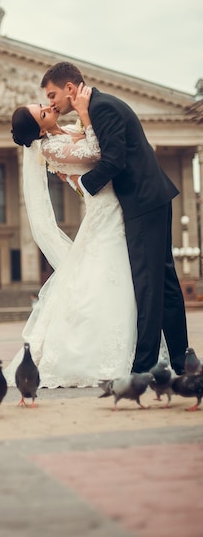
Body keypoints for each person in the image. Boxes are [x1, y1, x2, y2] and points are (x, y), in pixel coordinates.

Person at [40, 62, 188, 375]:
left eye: (53, 94)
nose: (51, 102)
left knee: (149, 285)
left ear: (70, 88)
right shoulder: (99, 107)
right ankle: (181, 360)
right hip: (150, 200)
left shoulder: (102, 109)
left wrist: (81, 184)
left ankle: (143, 366)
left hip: (142, 202)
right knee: (165, 285)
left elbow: (114, 161)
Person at [5, 86, 137, 388]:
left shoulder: (63, 133)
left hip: (107, 209)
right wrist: (86, 115)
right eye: (42, 112)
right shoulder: (50, 148)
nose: (49, 107)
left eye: (44, 104)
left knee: (100, 279)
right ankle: (95, 355)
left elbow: (82, 173)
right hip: (105, 211)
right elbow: (96, 154)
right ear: (39, 127)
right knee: (106, 278)